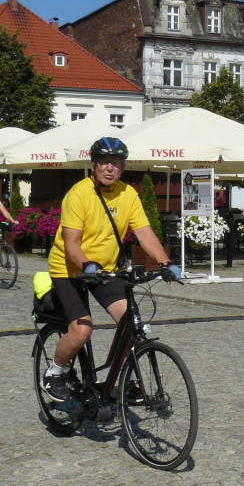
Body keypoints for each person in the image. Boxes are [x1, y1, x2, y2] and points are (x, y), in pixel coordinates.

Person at [42, 137, 182, 402]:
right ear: (93, 166)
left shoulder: (128, 194)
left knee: (131, 322)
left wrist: (166, 264)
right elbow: (71, 243)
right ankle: (54, 373)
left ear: (123, 167)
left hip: (106, 270)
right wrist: (86, 265)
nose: (109, 168)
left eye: (115, 163)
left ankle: (127, 380)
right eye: (104, 162)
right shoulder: (78, 194)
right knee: (82, 330)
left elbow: (145, 234)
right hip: (69, 269)